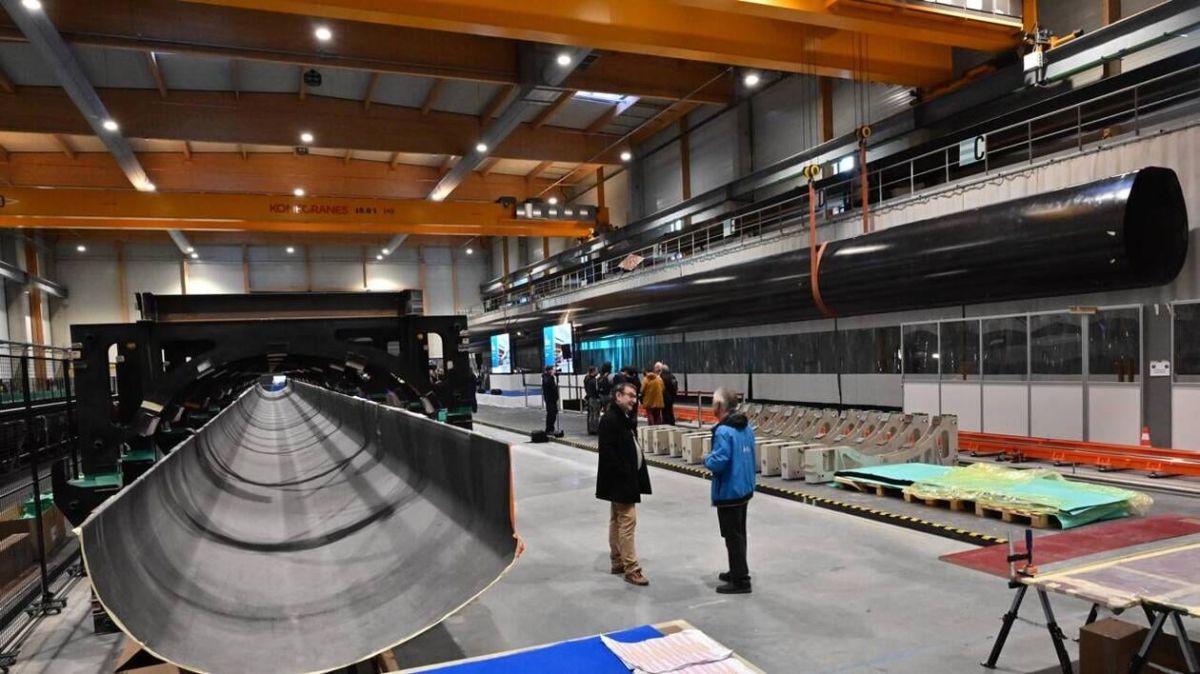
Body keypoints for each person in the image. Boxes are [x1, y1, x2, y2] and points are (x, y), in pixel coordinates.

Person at [596, 382, 652, 587]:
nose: (633, 400)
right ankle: (631, 568)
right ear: (618, 396)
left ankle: (617, 560)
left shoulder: (622, 417)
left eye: (635, 396)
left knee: (617, 520)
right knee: (628, 522)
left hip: (622, 479)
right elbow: (608, 452)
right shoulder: (611, 419)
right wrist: (625, 474)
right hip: (621, 481)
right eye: (630, 395)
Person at [704, 387, 756, 594]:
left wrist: (706, 459)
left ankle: (741, 580)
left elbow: (719, 460)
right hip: (743, 487)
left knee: (732, 536)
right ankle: (737, 570)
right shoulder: (746, 427)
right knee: (739, 533)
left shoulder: (724, 431)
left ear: (719, 406)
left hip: (729, 490)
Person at [541, 365, 559, 436]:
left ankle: (551, 428)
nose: (554, 371)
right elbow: (550, 386)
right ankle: (549, 429)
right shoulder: (547, 377)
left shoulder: (549, 377)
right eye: (553, 370)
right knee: (551, 414)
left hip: (552, 399)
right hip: (550, 399)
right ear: (549, 370)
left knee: (553, 413)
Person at [584, 366, 601, 435]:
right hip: (595, 398)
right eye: (596, 370)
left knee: (591, 414)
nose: (597, 372)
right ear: (593, 371)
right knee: (596, 414)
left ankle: (590, 429)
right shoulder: (594, 380)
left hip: (590, 398)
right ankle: (595, 429)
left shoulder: (586, 379)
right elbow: (597, 390)